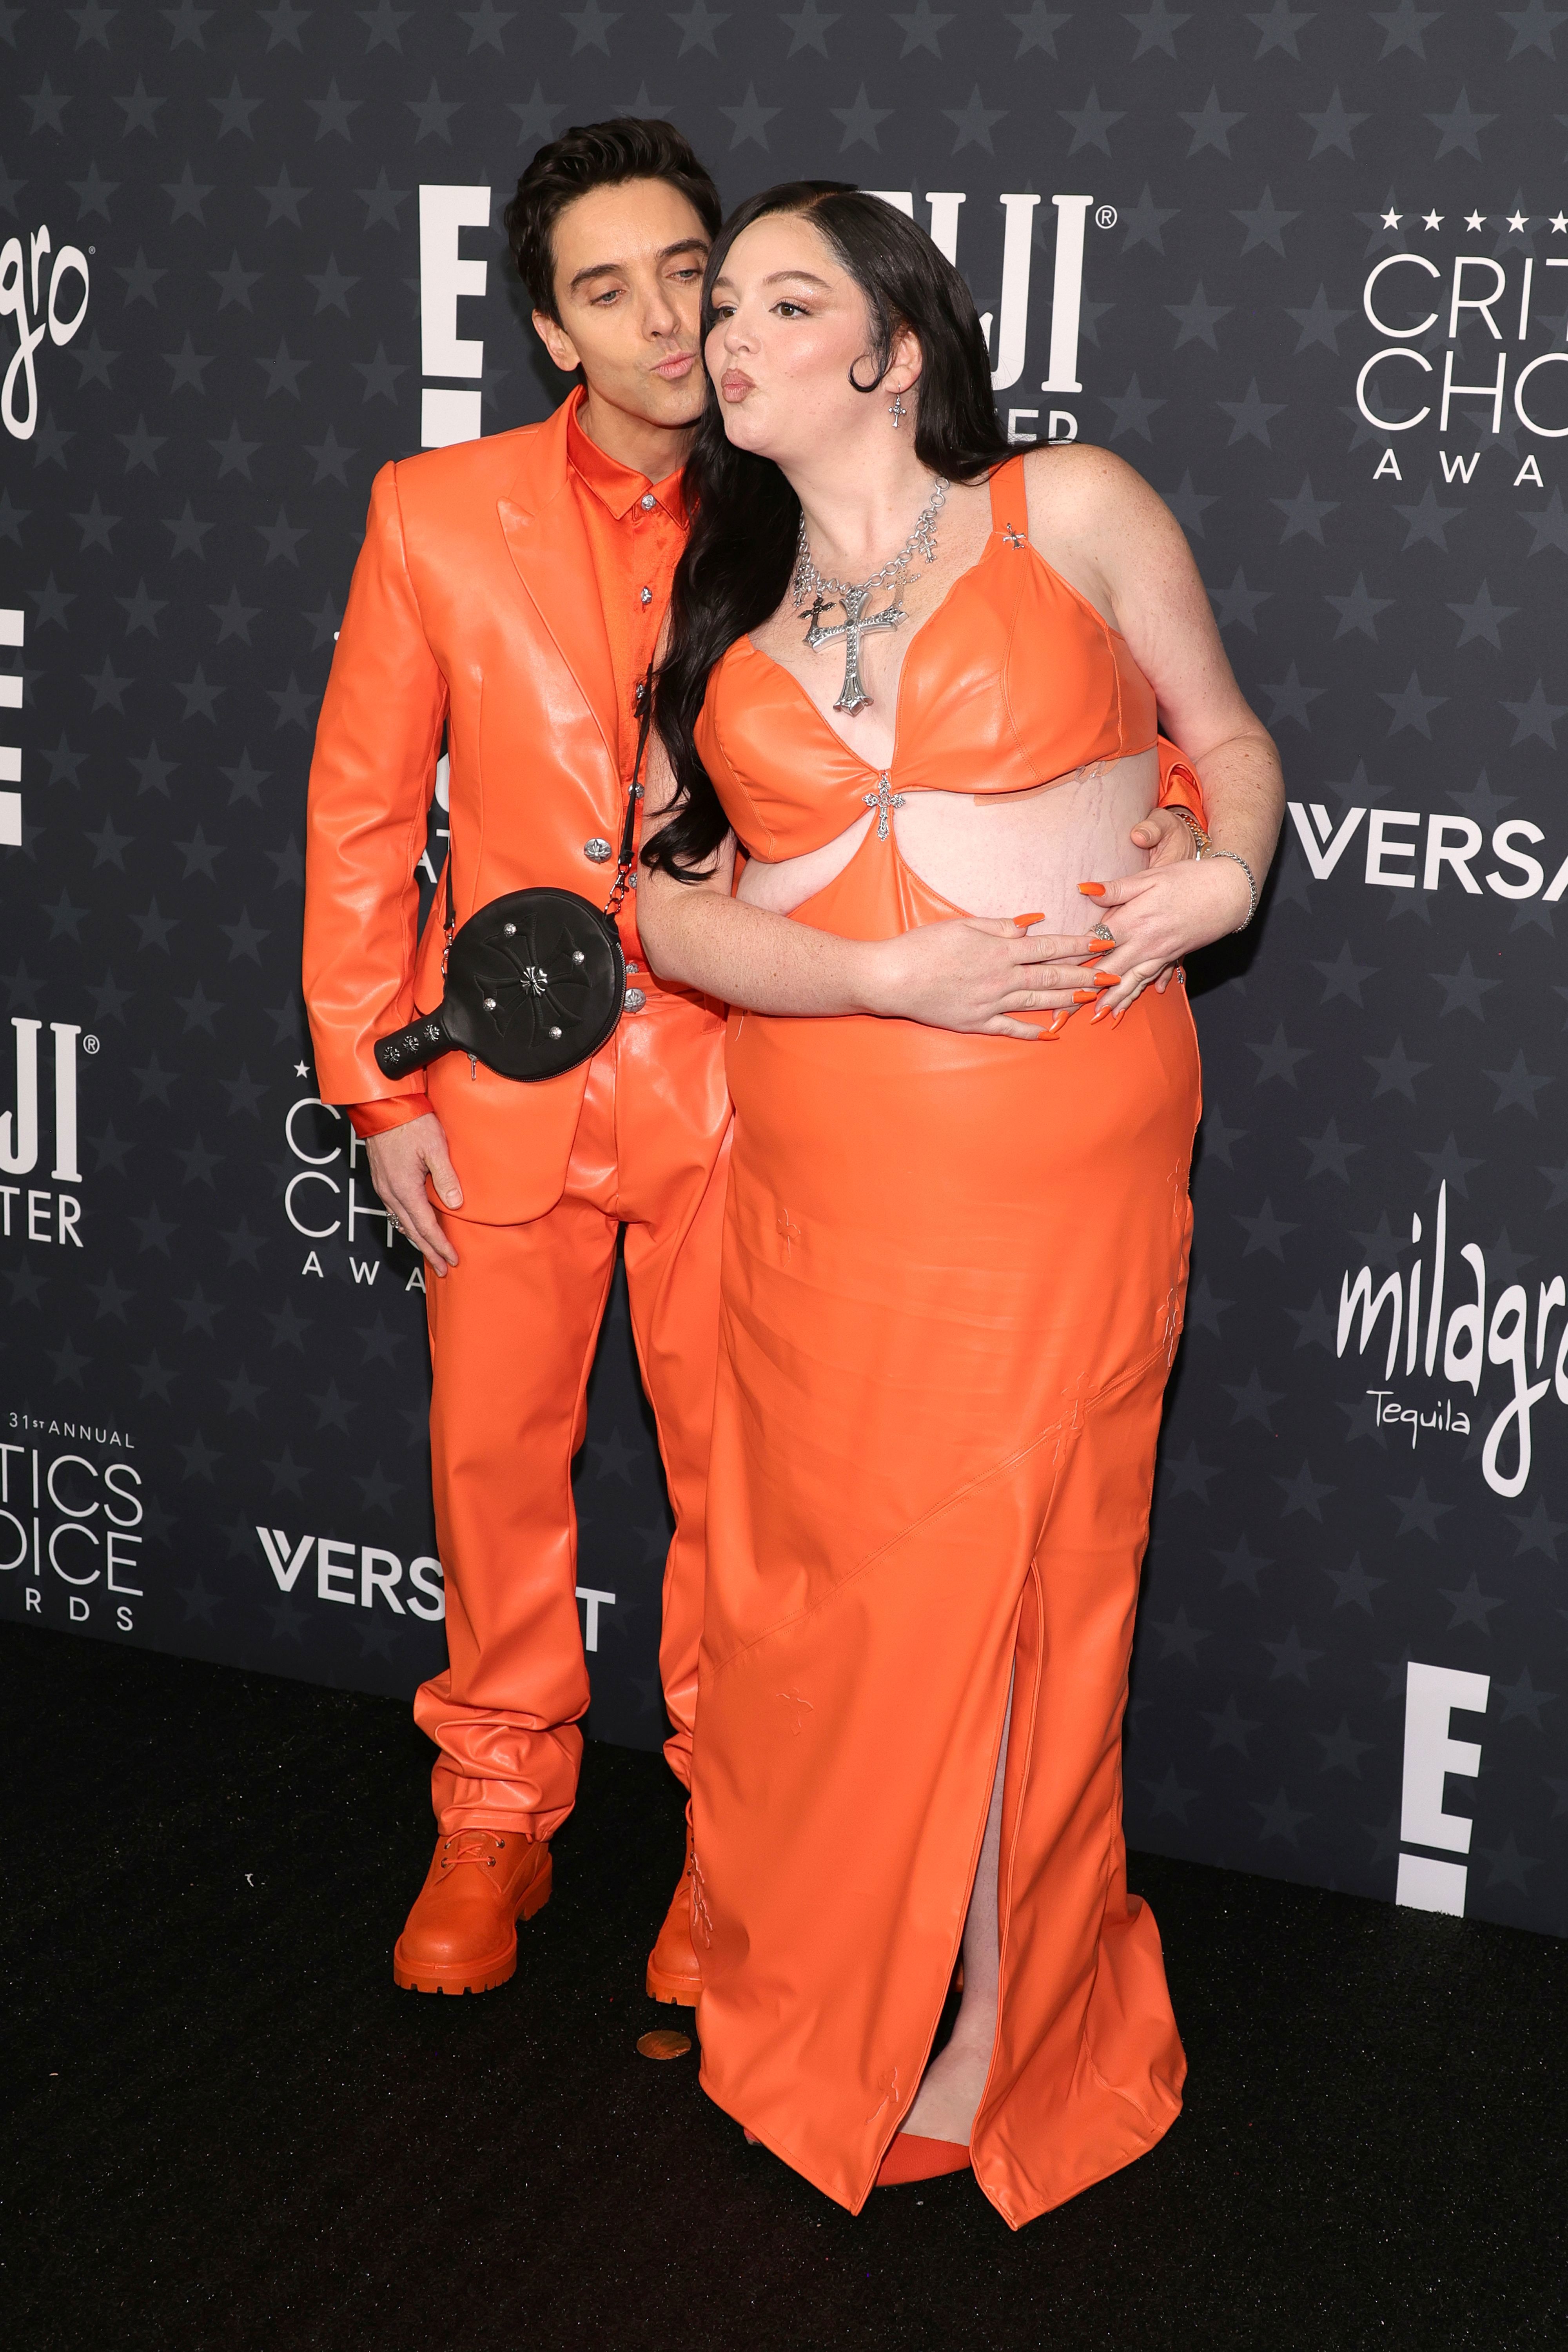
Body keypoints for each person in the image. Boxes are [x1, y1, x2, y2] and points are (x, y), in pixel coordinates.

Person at [636, 183, 1283, 2224]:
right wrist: (878, 979)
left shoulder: (1062, 508)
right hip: (825, 1167)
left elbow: (1234, 737)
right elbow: (674, 916)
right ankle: (836, 1983)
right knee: (834, 1598)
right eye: (715, 306)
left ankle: (1020, 2022)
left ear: (893, 348)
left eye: (781, 300)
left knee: (1034, 1587)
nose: (728, 333)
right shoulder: (719, 607)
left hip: (1060, 1147)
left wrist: (1230, 870)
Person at [302, 121, 732, 2005]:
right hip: (502, 1078)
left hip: (748, 1078)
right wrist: (377, 1086)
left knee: (748, 1486)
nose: (664, 317)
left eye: (688, 270)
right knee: (492, 1469)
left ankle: (742, 1843)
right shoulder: (429, 508)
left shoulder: (817, 503)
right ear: (551, 329)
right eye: (609, 287)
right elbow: (358, 814)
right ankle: (493, 1810)